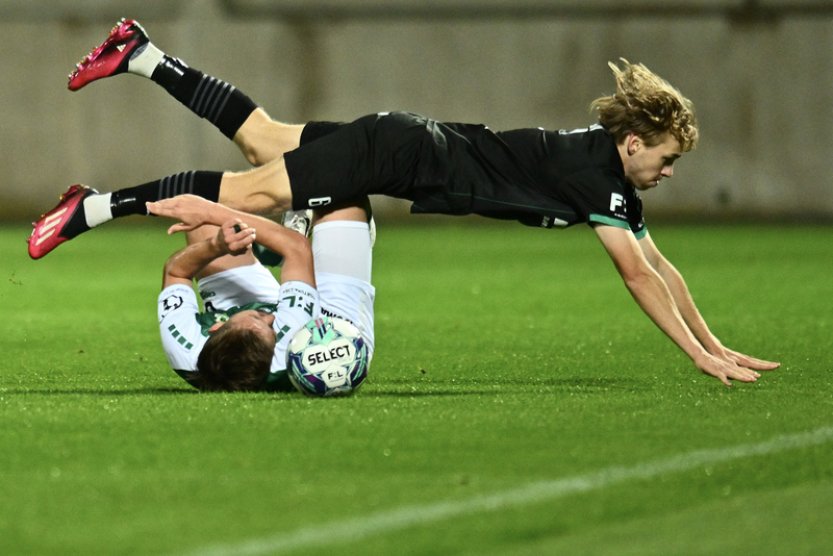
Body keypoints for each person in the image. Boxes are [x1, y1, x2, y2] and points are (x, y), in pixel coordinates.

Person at [29, 18, 778, 386]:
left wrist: (716, 347)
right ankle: (91, 207)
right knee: (249, 189)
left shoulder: (606, 173)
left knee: (261, 140)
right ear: (635, 142)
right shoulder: (597, 178)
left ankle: (141, 52)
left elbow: (661, 266)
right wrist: (693, 360)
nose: (669, 172)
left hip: (403, 146)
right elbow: (637, 278)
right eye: (668, 159)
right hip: (398, 154)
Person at [153, 197, 375, 392]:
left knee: (202, 218)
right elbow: (297, 248)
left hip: (244, 305)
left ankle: (276, 247)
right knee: (339, 195)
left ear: (215, 327)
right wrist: (214, 211)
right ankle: (300, 241)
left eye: (259, 318)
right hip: (328, 329)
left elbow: (176, 271)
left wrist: (218, 245)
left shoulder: (184, 346)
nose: (271, 317)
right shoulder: (289, 341)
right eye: (272, 328)